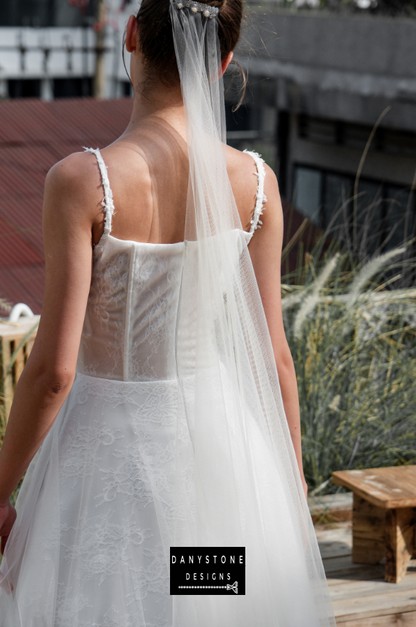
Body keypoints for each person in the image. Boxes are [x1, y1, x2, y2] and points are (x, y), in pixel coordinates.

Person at [0, 1, 336, 625]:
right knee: (207, 604)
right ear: (223, 62)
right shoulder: (258, 185)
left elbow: (53, 373)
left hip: (103, 456)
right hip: (219, 459)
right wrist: (288, 498)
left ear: (130, 33)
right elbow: (275, 359)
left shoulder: (82, 182)